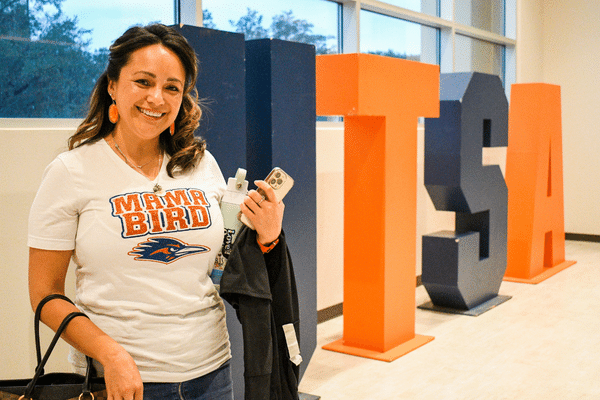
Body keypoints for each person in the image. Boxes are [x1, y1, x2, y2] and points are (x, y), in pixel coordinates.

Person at [27, 23, 284, 400]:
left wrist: (266, 236)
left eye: (172, 87)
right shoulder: (71, 171)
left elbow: (220, 266)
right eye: (143, 82)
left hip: (211, 373)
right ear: (113, 85)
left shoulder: (200, 163)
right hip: (117, 381)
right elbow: (44, 294)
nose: (157, 99)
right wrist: (108, 352)